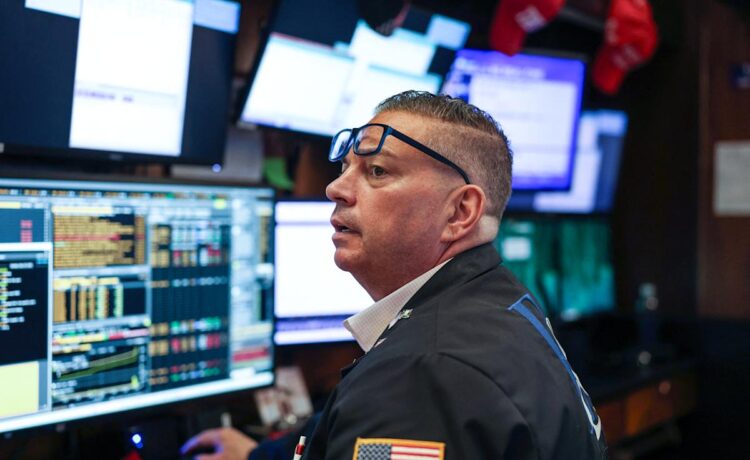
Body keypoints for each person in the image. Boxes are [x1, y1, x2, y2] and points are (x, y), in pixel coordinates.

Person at [181, 91, 607, 459]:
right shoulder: (499, 298)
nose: (335, 189)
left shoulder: (421, 372)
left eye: (377, 171)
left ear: (460, 212)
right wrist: (256, 455)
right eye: (345, 168)